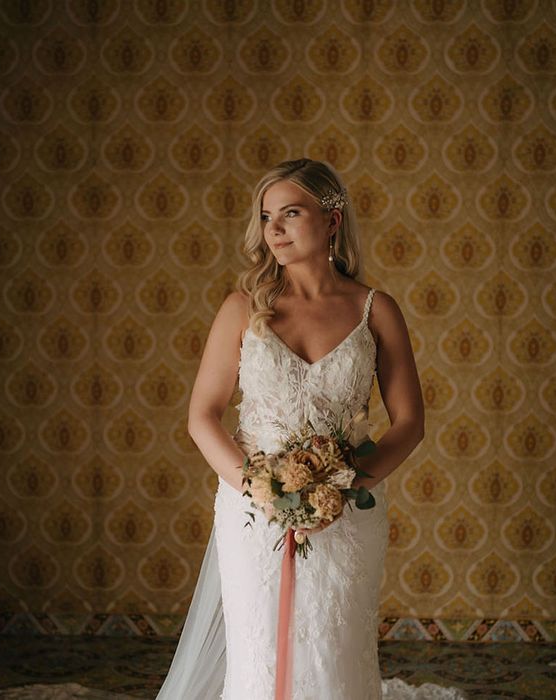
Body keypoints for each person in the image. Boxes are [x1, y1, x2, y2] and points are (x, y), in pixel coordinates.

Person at [157, 159, 467, 699]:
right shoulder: (242, 308)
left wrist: (338, 490)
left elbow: (410, 422)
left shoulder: (375, 310)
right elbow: (202, 416)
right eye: (266, 216)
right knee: (258, 649)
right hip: (251, 510)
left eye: (290, 213)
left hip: (346, 511)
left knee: (335, 645)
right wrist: (261, 488)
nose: (272, 229)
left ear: (332, 220)